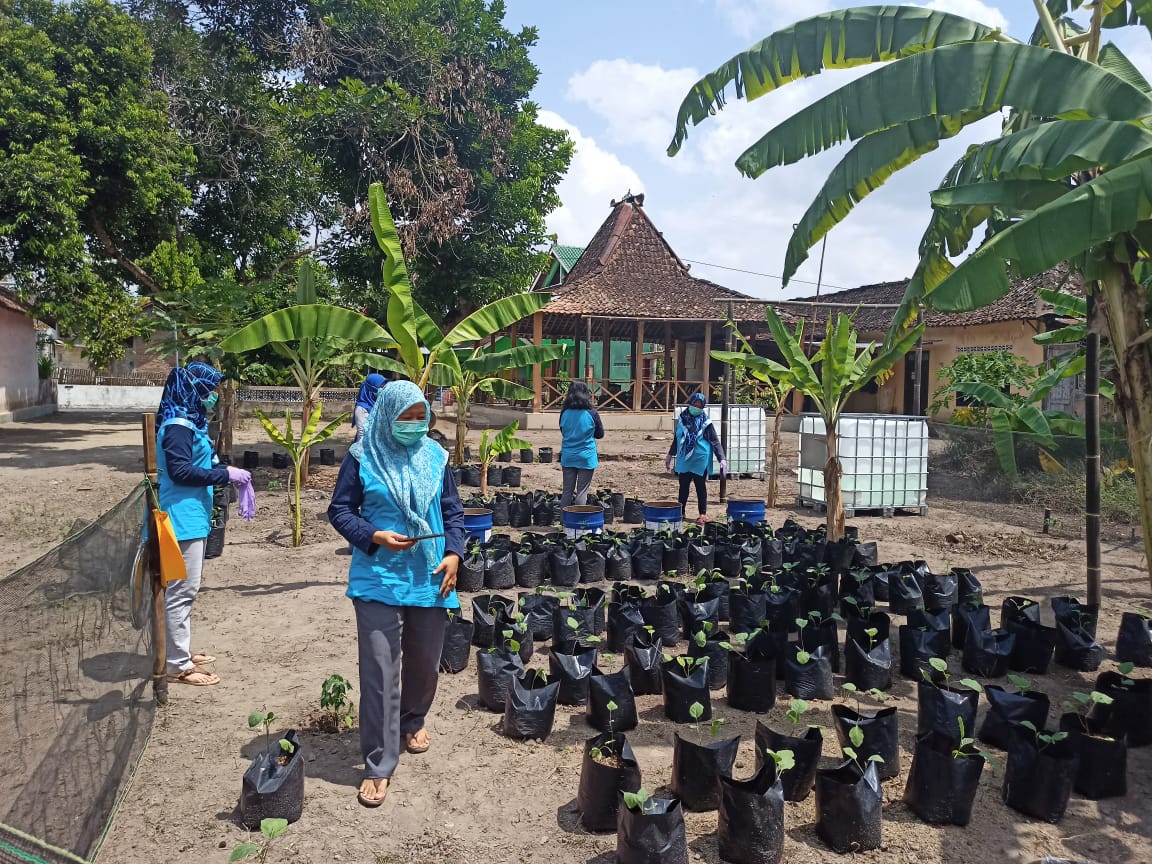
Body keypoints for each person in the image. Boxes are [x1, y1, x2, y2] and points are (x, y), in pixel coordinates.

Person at [327, 380, 465, 808]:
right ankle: (379, 762)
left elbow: (454, 511)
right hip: (377, 577)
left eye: (420, 416)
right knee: (380, 671)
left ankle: (413, 718)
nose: (414, 425)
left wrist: (456, 554)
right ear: (386, 415)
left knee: (425, 663)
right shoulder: (361, 457)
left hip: (429, 574)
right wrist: (374, 535)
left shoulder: (436, 457)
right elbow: (340, 510)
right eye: (405, 417)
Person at [156, 361, 253, 686]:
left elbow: (198, 462)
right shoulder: (178, 427)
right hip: (182, 518)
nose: (212, 396)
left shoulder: (189, 423)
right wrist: (225, 474)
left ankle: (178, 652)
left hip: (192, 515)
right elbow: (180, 471)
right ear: (194, 389)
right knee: (182, 591)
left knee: (184, 590)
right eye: (209, 389)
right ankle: (177, 665)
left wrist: (222, 470)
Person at [665, 392, 727, 524]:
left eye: (700, 406)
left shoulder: (706, 422)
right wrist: (670, 454)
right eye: (695, 405)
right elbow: (677, 438)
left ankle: (702, 514)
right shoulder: (682, 418)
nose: (696, 408)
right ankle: (681, 512)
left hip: (700, 458)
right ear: (691, 403)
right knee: (683, 486)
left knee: (700, 486)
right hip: (685, 458)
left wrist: (721, 458)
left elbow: (714, 441)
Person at [558, 380, 604, 507]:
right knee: (582, 491)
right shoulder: (592, 413)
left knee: (567, 491)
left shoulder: (564, 413)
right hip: (586, 457)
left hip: (568, 456)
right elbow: (600, 434)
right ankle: (578, 523)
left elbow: (563, 431)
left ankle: (564, 522)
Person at [352, 372, 387, 442]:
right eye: (381, 386)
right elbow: (362, 434)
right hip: (366, 446)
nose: (383, 388)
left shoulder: (378, 403)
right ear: (371, 389)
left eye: (384, 385)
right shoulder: (361, 408)